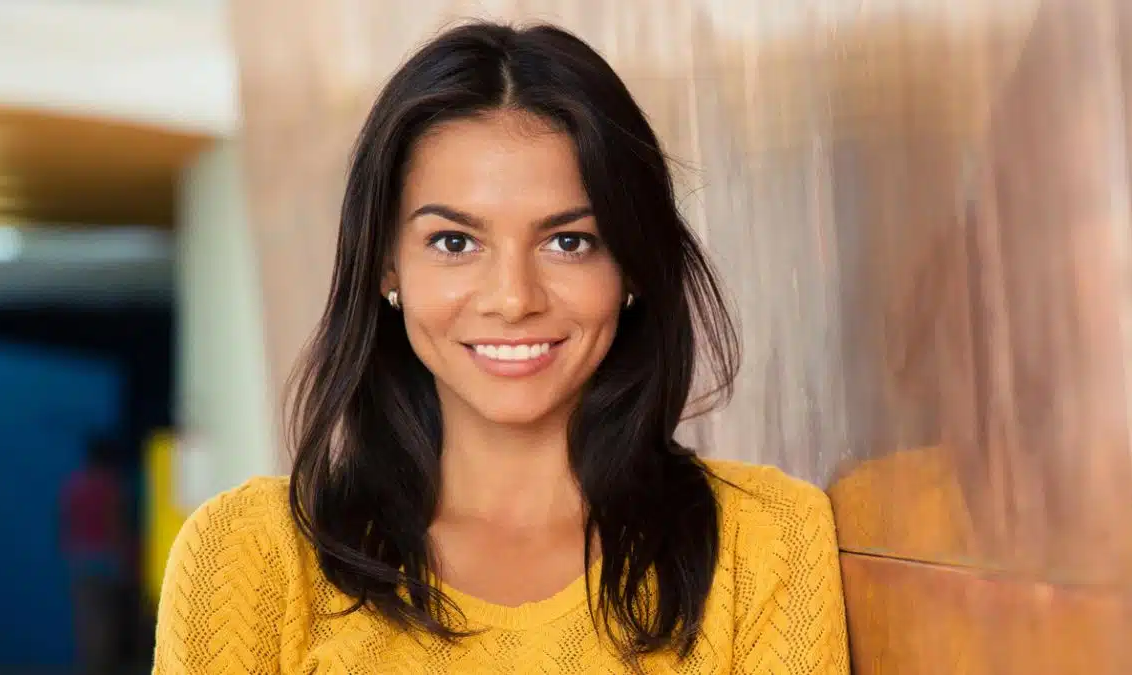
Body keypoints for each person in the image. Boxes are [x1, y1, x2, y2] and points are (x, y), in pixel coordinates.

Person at [154, 20, 849, 674]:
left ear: (632, 266)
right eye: (455, 242)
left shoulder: (766, 545)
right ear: (387, 265)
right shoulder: (248, 557)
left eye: (568, 241)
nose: (514, 298)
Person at [61, 435, 130, 675]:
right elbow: (116, 523)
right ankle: (103, 665)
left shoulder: (75, 485)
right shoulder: (111, 486)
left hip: (81, 557)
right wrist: (124, 555)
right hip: (107, 556)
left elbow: (67, 521)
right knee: (107, 617)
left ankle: (90, 665)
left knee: (86, 616)